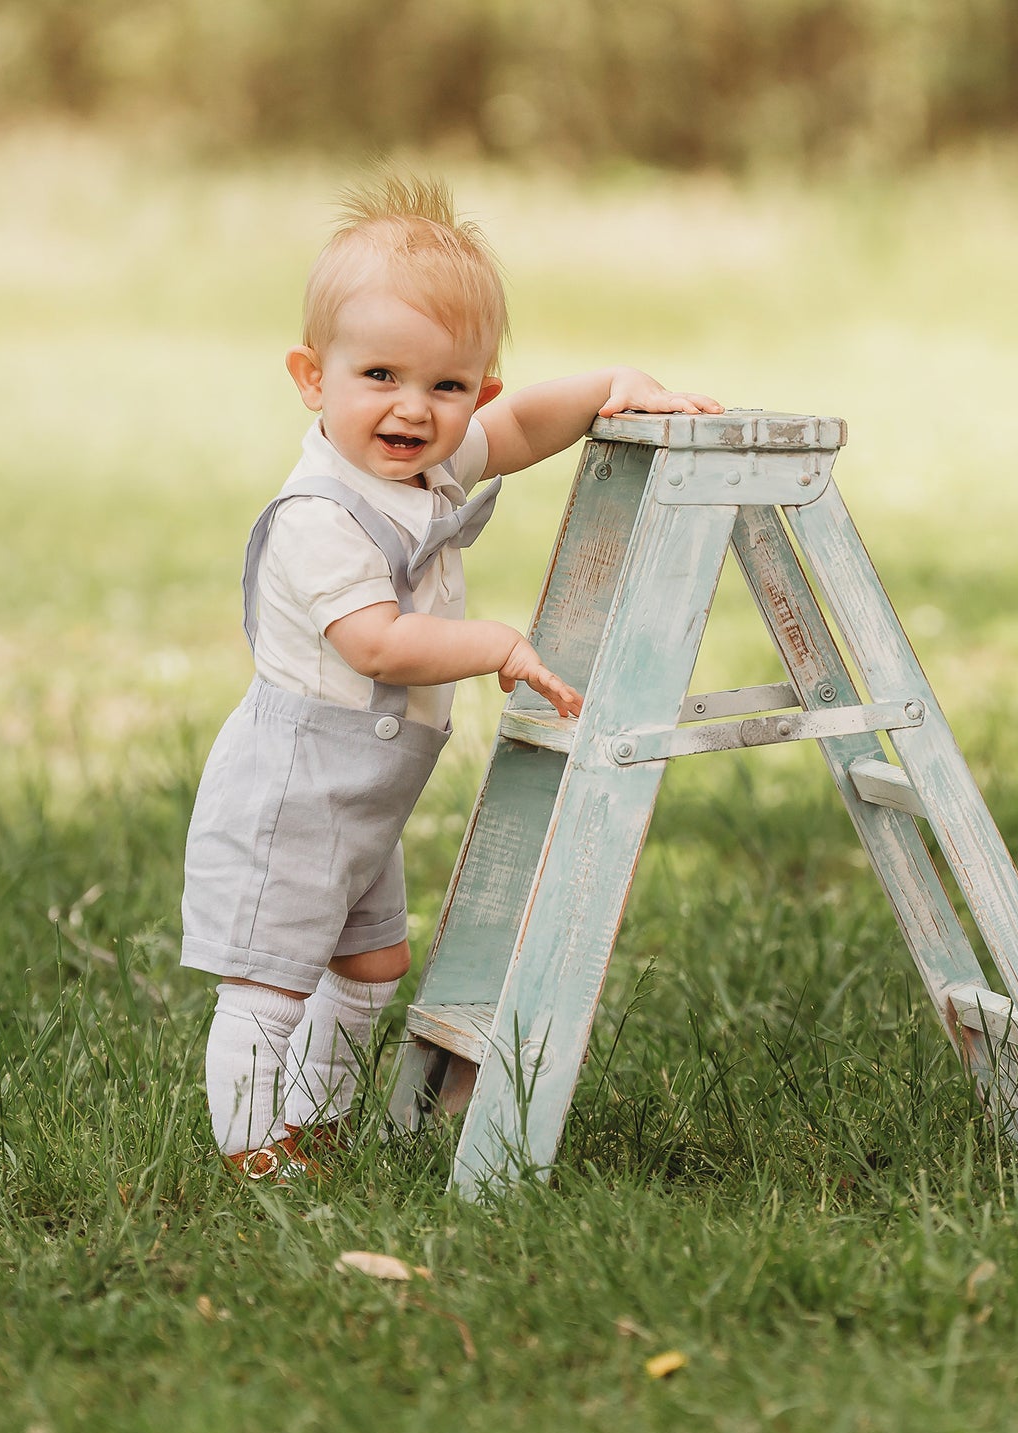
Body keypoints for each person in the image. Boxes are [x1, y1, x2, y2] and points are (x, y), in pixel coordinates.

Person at [179, 172, 721, 1180]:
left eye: (445, 386)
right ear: (312, 375)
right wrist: (496, 645)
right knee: (268, 978)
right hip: (290, 794)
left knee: (371, 962)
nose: (412, 408)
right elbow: (377, 644)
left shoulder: (426, 466)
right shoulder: (319, 517)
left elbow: (518, 434)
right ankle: (251, 1147)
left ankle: (315, 1116)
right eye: (378, 374)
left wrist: (611, 383)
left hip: (360, 798)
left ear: (477, 389)